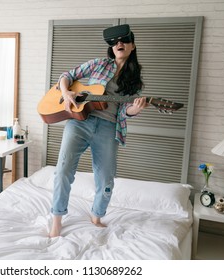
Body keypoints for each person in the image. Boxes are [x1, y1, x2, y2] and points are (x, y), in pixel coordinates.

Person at [49, 24, 149, 238]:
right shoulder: (98, 64)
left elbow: (125, 110)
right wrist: (66, 93)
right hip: (80, 121)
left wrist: (135, 109)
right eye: (114, 42)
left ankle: (96, 215)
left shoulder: (135, 82)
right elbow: (67, 75)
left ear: (132, 46)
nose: (119, 44)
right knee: (63, 169)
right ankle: (56, 220)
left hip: (108, 126)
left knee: (105, 178)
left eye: (123, 41)